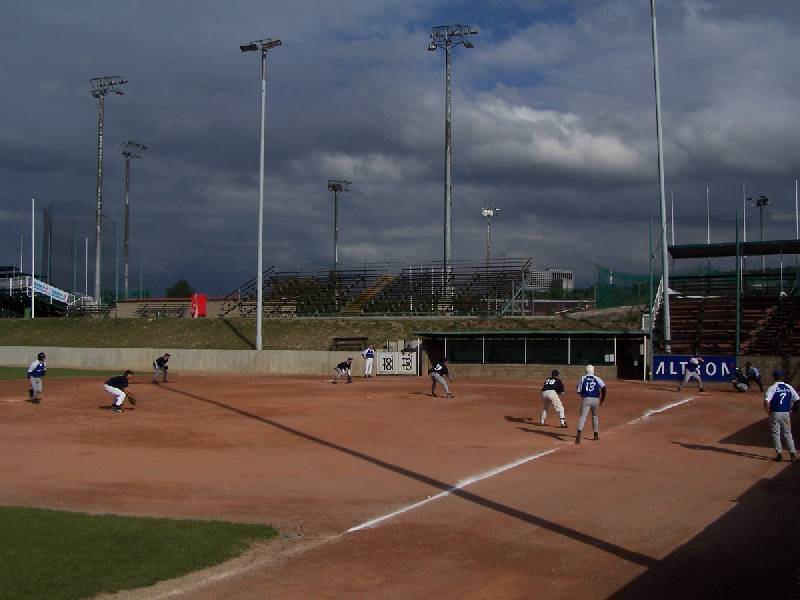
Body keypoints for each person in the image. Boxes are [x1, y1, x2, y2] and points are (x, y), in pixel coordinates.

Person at [763, 370, 799, 462]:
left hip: (775, 413)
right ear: (782, 377)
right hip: (786, 413)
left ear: (774, 378)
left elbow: (766, 400)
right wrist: (794, 409)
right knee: (788, 434)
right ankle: (793, 455)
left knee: (776, 433)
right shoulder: (788, 387)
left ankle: (779, 455)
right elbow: (797, 399)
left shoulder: (772, 387)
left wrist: (767, 411)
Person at [575, 364, 606, 444]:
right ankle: (595, 434)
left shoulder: (583, 378)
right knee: (595, 416)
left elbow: (578, 390)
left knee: (583, 416)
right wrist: (602, 400)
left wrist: (582, 392)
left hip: (586, 399)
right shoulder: (597, 378)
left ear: (586, 370)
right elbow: (604, 388)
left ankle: (578, 434)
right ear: (593, 370)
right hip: (596, 399)